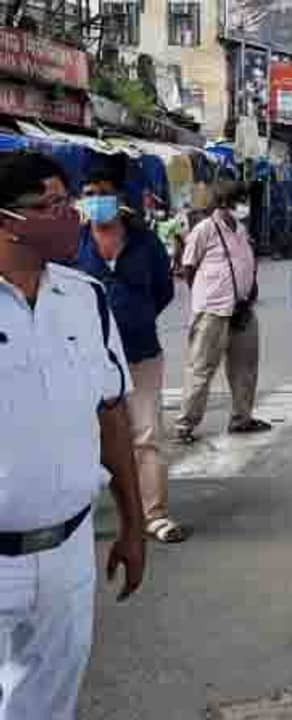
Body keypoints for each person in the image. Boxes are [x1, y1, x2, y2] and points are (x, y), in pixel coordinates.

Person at [0, 151, 145, 718]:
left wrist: (133, 523)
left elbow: (111, 415)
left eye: (70, 202)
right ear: (8, 220)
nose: (71, 218)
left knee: (48, 704)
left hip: (68, 553)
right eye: (52, 206)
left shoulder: (86, 298)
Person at [72, 168, 186, 543]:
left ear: (119, 200)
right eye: (89, 192)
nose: (95, 198)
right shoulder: (75, 245)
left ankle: (154, 515)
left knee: (146, 436)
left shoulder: (145, 243)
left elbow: (163, 291)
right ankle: (80, 516)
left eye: (102, 192)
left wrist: (133, 317)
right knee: (85, 438)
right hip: (85, 358)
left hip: (140, 354)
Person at [174, 181, 272, 443]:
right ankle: (185, 424)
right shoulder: (205, 229)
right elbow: (188, 267)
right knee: (201, 368)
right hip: (213, 310)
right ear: (224, 202)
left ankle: (242, 418)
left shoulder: (241, 230)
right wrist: (206, 295)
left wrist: (247, 293)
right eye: (239, 200)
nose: (244, 206)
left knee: (245, 367)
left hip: (243, 308)